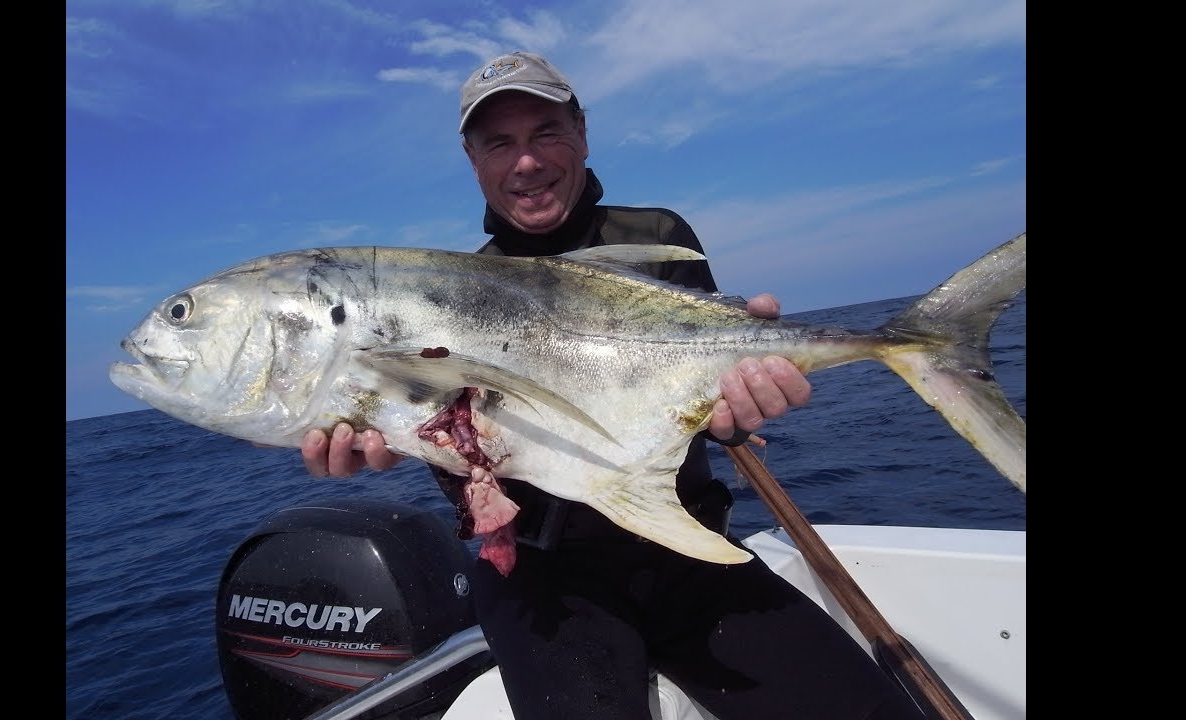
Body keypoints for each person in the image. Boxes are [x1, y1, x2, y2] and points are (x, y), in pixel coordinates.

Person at [300, 51, 924, 720]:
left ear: (582, 133)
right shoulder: (450, 297)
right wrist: (395, 441)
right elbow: (460, 452)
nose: (527, 162)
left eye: (545, 133)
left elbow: (702, 399)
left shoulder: (656, 240)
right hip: (543, 584)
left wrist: (740, 410)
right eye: (500, 143)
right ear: (473, 159)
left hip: (685, 550)